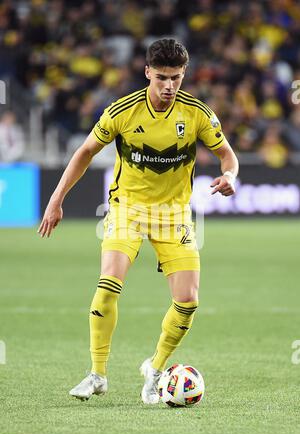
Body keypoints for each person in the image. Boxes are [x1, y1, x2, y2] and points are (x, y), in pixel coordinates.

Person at [38, 39, 239, 405]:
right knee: (108, 284)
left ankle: (157, 370)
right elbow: (84, 152)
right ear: (147, 72)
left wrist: (231, 176)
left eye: (176, 78)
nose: (168, 86)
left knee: (188, 301)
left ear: (184, 75)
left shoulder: (197, 114)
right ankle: (98, 374)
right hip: (127, 210)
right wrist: (56, 199)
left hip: (174, 215)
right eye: (161, 77)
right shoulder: (122, 111)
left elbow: (228, 155)